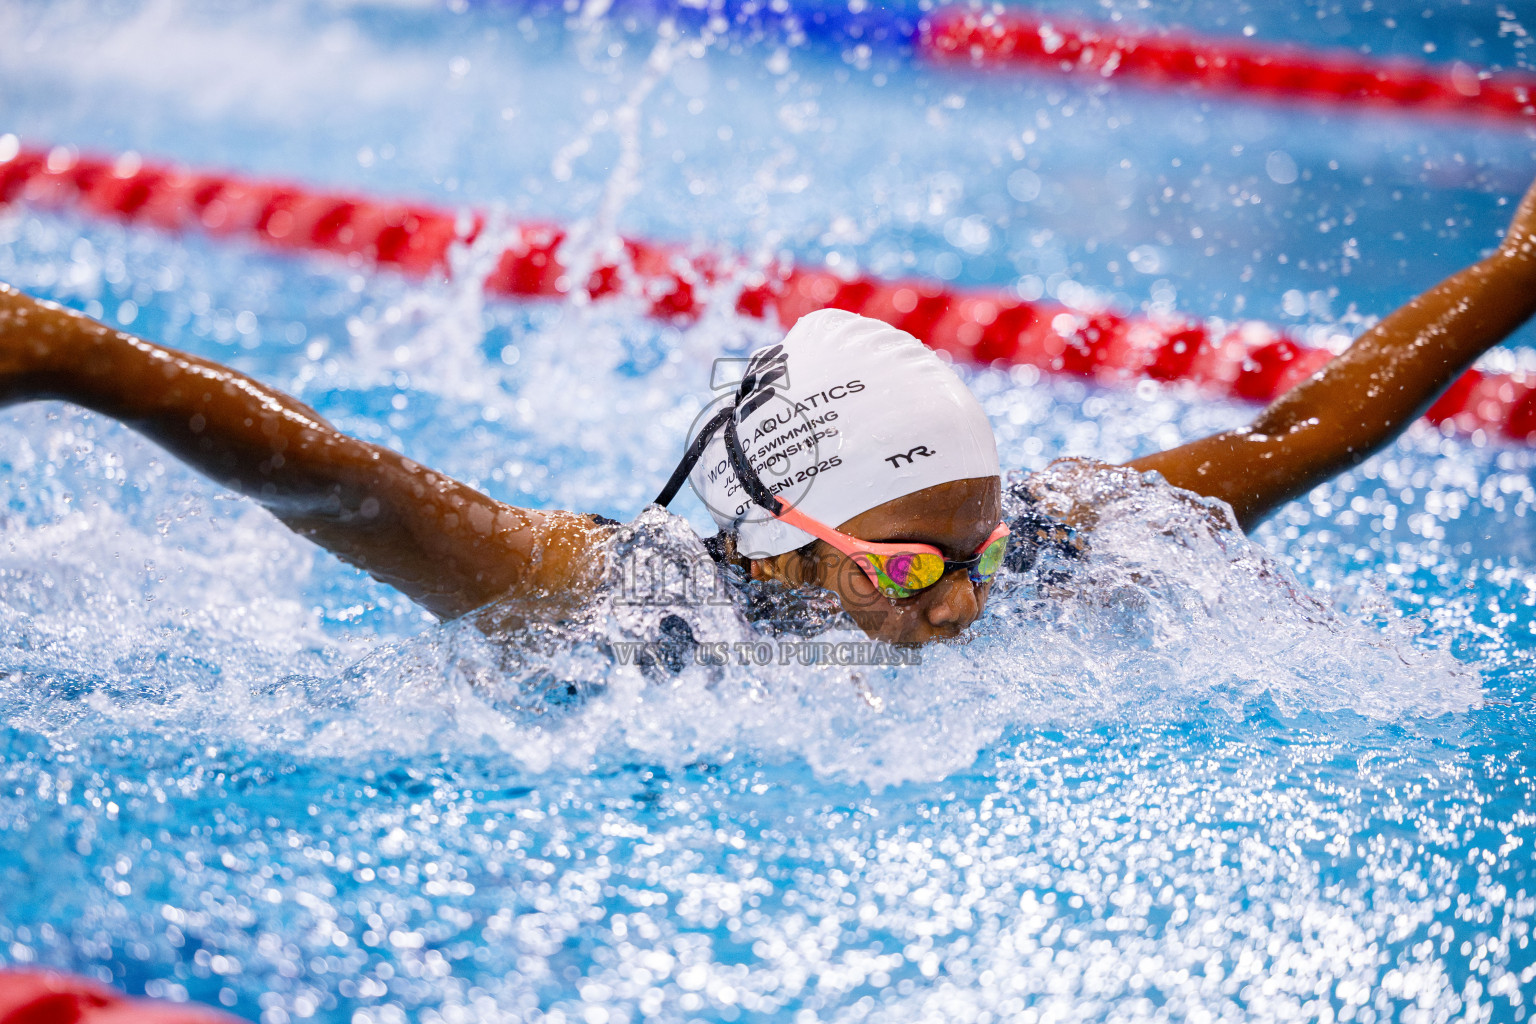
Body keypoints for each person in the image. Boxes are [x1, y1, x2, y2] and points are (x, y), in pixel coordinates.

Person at [5, 174, 1536, 647]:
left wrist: (1519, 268)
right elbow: (334, 480)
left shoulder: (1039, 545)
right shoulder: (623, 604)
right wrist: (83, 361)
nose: (971, 597)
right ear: (788, 538)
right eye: (920, 566)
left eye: (980, 546)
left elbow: (1291, 439)